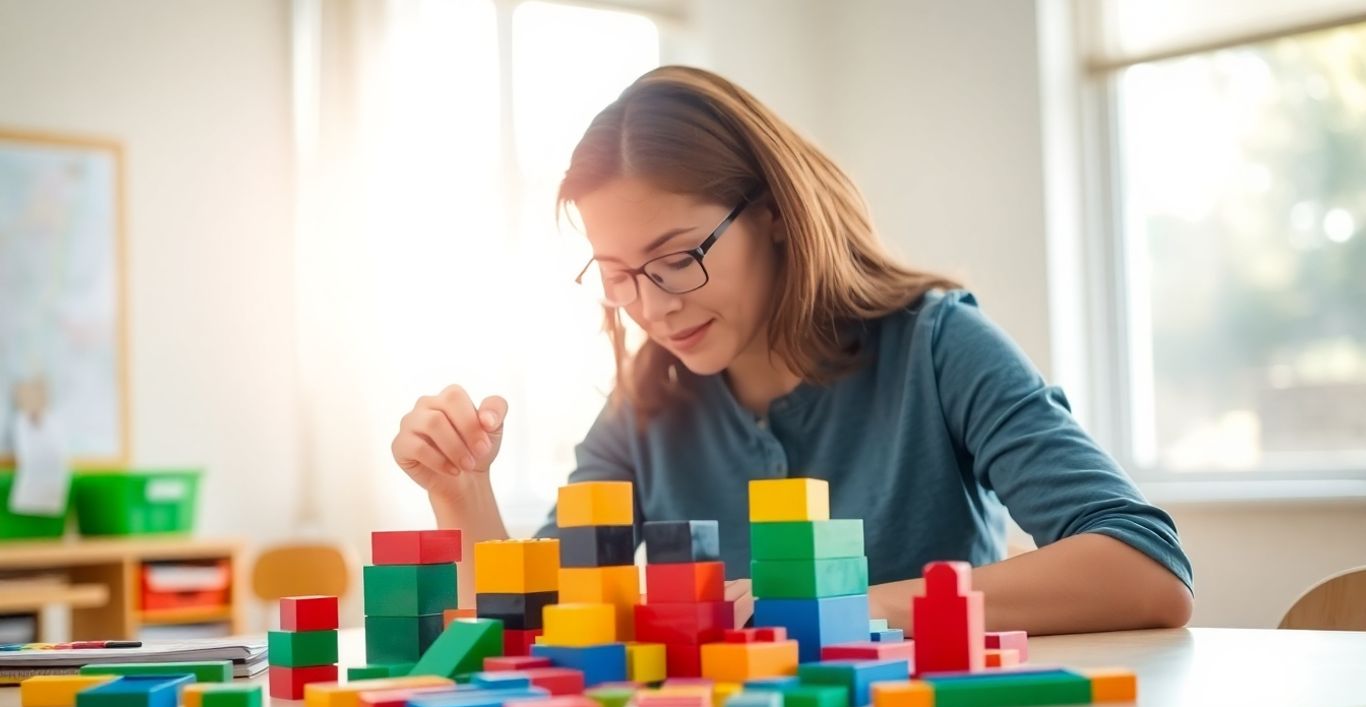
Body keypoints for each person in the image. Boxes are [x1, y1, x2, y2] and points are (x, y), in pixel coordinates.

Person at [390, 65, 1193, 633]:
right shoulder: (647, 403)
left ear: (771, 211)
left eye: (678, 258)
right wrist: (462, 493)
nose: (654, 307)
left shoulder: (937, 346)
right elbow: (530, 620)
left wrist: (831, 606)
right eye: (618, 275)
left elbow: (1144, 569)